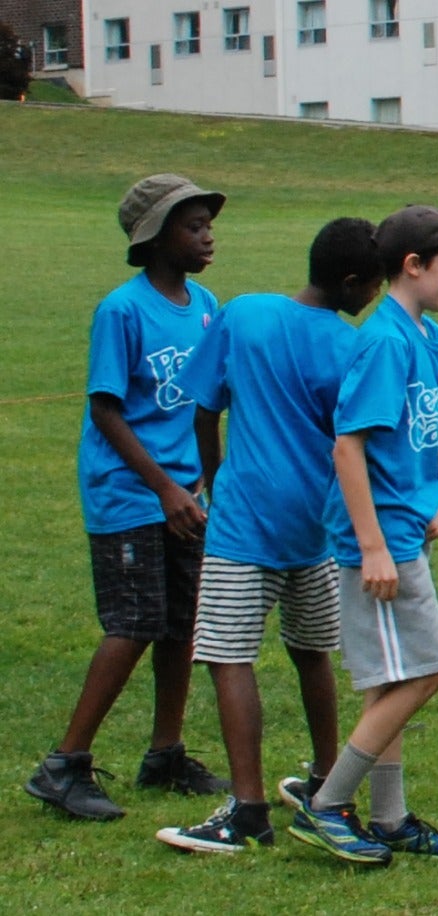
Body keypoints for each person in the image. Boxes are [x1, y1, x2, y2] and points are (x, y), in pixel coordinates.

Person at [156, 217, 382, 853]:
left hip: (245, 521)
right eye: (372, 286)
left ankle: (248, 809)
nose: (372, 297)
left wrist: (214, 476)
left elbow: (205, 407)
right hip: (318, 525)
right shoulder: (350, 346)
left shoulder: (244, 313)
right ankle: (324, 782)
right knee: (313, 652)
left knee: (230, 654)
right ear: (349, 284)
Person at [282, 205, 438, 864]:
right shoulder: (383, 341)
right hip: (381, 540)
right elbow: (348, 449)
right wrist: (373, 545)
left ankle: (391, 817)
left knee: (389, 681)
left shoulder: (426, 337)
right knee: (430, 669)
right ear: (413, 266)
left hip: (409, 524)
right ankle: (327, 805)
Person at [30, 173, 230, 823]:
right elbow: (107, 410)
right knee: (134, 622)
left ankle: (165, 754)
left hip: (185, 494)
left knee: (180, 625)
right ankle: (64, 765)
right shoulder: (122, 309)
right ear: (154, 237)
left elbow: (206, 404)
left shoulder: (205, 304)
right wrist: (165, 487)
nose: (207, 236)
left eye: (208, 224)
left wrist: (208, 480)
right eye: (192, 225)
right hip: (131, 492)